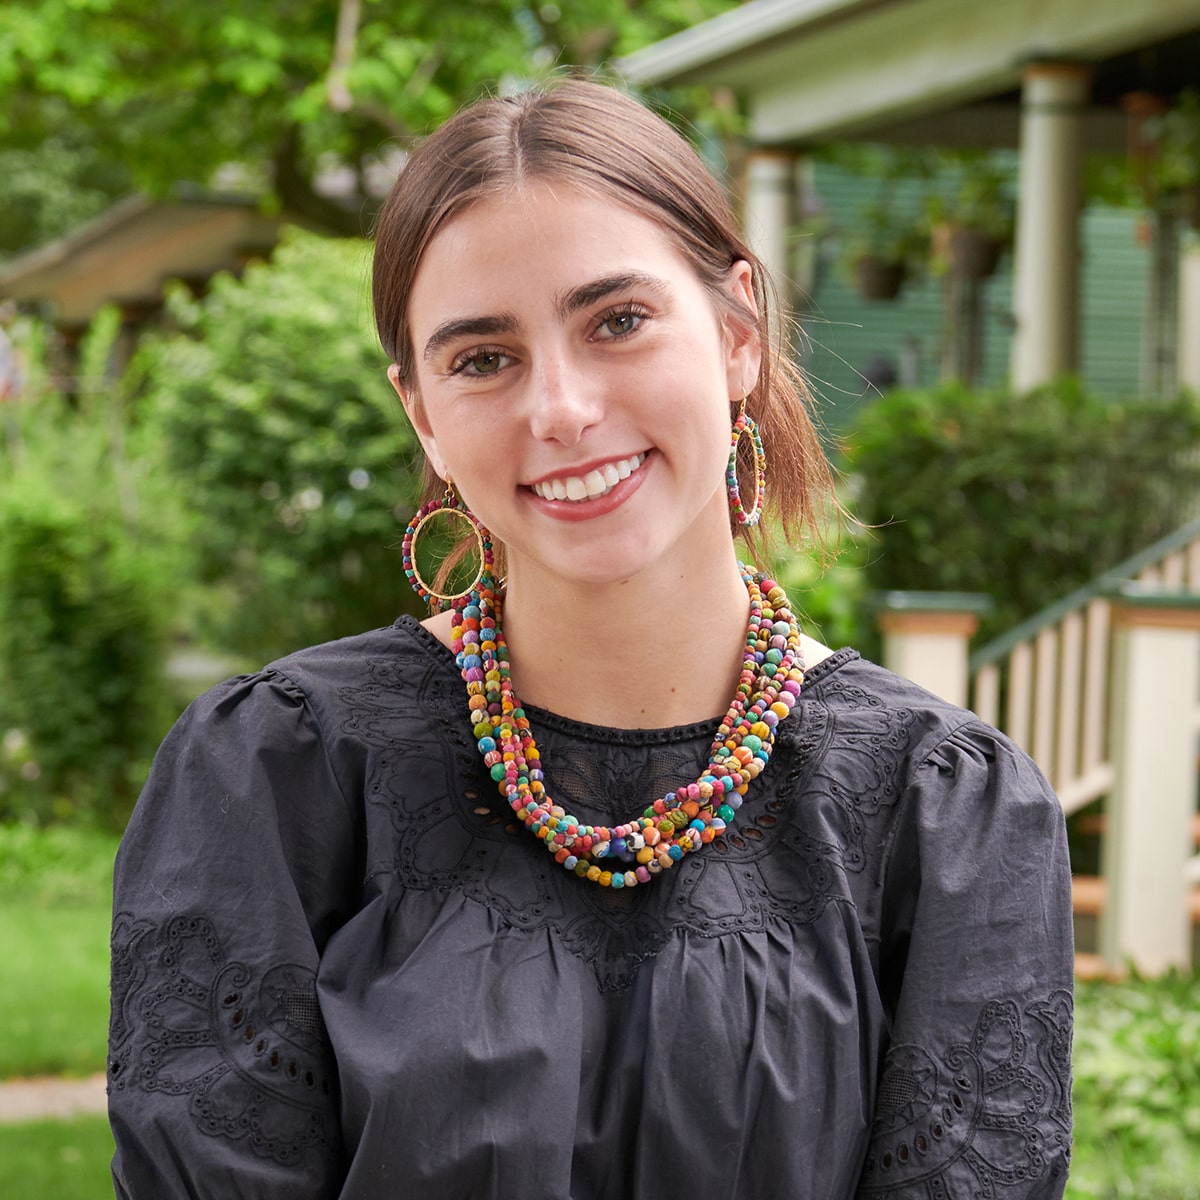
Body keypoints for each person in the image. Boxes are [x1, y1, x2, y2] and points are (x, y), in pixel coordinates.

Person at [108, 80, 1073, 1199]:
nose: (559, 408)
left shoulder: (943, 810)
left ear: (738, 335)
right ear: (421, 408)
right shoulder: (275, 775)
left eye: (617, 321)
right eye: (481, 358)